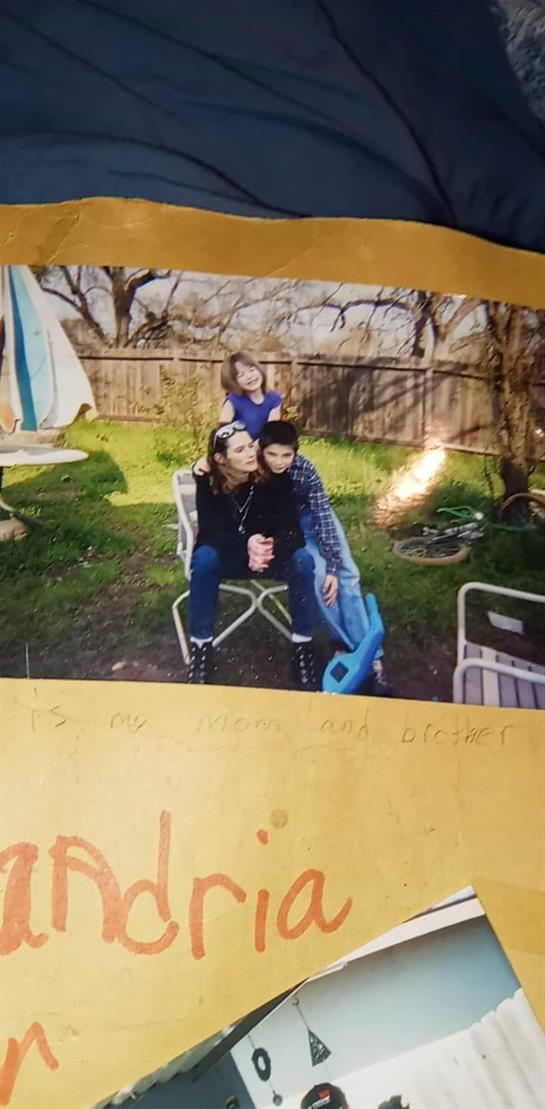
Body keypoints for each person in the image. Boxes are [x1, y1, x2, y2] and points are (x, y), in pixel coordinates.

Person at [258, 420, 390, 694]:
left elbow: (322, 517)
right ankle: (344, 645)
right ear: (261, 450)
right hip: (289, 530)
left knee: (346, 576)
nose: (279, 461)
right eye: (272, 454)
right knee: (318, 580)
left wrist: (333, 566)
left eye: (286, 455)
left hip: (316, 520)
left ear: (295, 452)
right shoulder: (255, 469)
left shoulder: (305, 469)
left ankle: (371, 657)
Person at [188, 421, 319, 690]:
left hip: (267, 557)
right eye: (240, 450)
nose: (251, 453)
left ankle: (302, 648)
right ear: (221, 459)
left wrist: (267, 547)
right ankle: (201, 649)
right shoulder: (209, 481)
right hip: (229, 557)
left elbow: (293, 532)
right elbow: (211, 532)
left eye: (250, 445)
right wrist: (245, 545)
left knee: (303, 561)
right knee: (204, 559)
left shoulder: (273, 477)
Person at [219, 351, 282, 439]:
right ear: (234, 382)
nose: (249, 377)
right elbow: (223, 432)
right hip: (240, 444)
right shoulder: (232, 401)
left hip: (265, 443)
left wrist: (258, 444)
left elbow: (271, 431)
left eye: (251, 370)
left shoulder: (274, 398)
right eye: (241, 375)